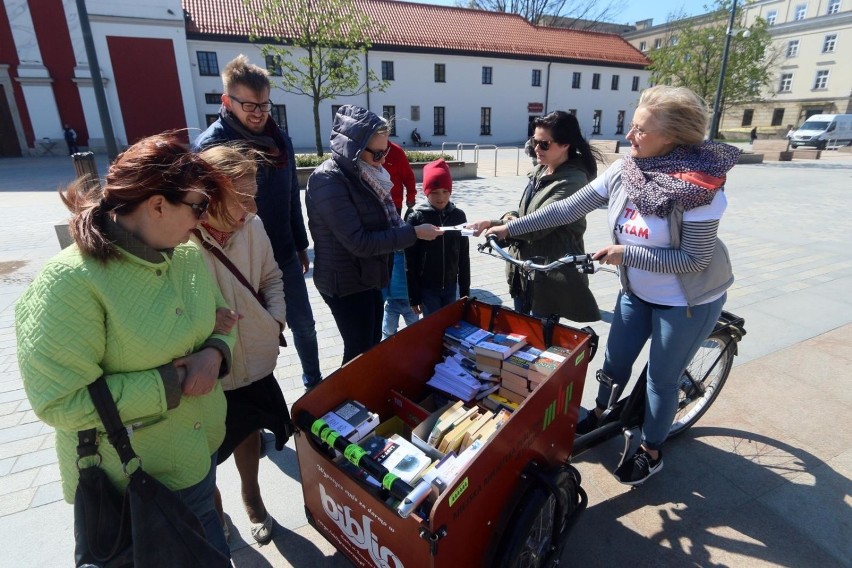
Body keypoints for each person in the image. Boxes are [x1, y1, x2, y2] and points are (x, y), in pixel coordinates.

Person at [475, 86, 740, 485]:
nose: (629, 137)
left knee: (660, 381)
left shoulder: (698, 189)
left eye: (640, 131)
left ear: (672, 138)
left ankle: (652, 450)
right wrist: (510, 228)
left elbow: (694, 260)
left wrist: (626, 254)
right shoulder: (626, 170)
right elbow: (566, 208)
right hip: (637, 292)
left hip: (686, 300)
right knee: (614, 363)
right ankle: (600, 414)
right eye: (631, 127)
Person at [15, 132, 237, 560]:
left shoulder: (187, 255)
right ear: (156, 204)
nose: (202, 220)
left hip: (198, 456)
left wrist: (214, 353)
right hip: (135, 484)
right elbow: (59, 400)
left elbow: (223, 318)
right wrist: (172, 382)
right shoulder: (69, 281)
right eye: (198, 206)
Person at [193, 54, 323, 390]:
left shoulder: (280, 140)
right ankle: (254, 397)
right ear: (227, 101)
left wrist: (299, 242)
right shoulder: (211, 146)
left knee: (304, 325)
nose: (258, 112)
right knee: (243, 333)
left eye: (264, 104)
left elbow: (291, 193)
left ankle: (314, 384)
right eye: (249, 105)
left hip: (281, 251)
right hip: (234, 257)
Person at [194, 145, 292, 545]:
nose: (251, 207)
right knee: (206, 452)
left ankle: (252, 496)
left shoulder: (252, 226)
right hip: (209, 368)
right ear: (211, 192)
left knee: (250, 428)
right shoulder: (184, 240)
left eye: (254, 195)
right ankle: (215, 514)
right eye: (242, 197)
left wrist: (275, 319)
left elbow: (271, 275)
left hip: (256, 353)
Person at [306, 104, 441, 364]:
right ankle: (347, 401)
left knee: (370, 344)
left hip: (368, 276)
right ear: (354, 148)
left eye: (386, 151)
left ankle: (361, 396)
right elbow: (360, 243)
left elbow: (382, 226)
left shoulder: (366, 174)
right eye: (377, 154)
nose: (383, 161)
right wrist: (412, 234)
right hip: (344, 282)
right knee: (358, 350)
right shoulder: (328, 181)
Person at [473, 111, 600, 323]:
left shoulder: (572, 182)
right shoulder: (542, 171)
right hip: (525, 273)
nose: (535, 149)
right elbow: (526, 214)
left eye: (544, 144)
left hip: (549, 278)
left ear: (565, 144)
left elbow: (541, 223)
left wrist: (505, 228)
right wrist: (493, 222)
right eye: (534, 141)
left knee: (540, 341)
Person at [405, 159, 470, 316]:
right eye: (434, 192)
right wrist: (414, 297)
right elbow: (410, 262)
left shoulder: (459, 216)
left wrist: (464, 290)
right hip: (427, 289)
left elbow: (464, 256)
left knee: (451, 325)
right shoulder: (416, 218)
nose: (441, 197)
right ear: (426, 192)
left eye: (445, 191)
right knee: (432, 328)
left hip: (450, 286)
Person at [381, 249, 419, 339]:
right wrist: (382, 297)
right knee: (388, 330)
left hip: (410, 302)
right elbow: (384, 277)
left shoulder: (413, 255)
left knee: (415, 331)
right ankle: (388, 350)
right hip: (392, 301)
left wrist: (418, 298)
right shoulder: (388, 256)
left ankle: (413, 349)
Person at [384, 141, 417, 215]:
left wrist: (410, 198)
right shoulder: (364, 150)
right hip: (370, 204)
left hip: (394, 203)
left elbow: (408, 177)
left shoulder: (396, 151)